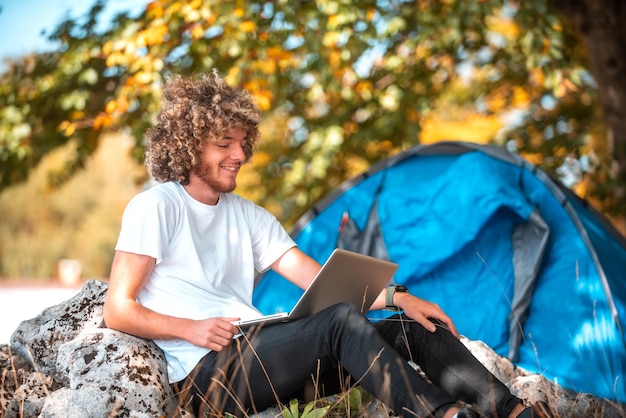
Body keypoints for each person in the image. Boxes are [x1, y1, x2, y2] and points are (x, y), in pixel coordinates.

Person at [103, 70, 550, 418]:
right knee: (338, 321)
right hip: (206, 375)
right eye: (225, 144)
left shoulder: (247, 215)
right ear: (189, 145)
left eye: (242, 143)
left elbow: (317, 279)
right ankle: (443, 413)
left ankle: (513, 411)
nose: (239, 155)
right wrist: (189, 329)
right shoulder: (156, 206)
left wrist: (401, 298)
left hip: (265, 351)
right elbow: (118, 309)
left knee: (410, 330)